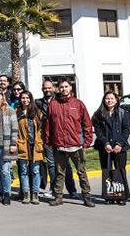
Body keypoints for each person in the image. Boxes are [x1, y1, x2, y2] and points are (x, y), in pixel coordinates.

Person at [44, 79, 94, 207]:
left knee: (82, 173)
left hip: (76, 146)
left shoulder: (78, 104)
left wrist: (87, 141)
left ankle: (87, 197)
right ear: (58, 89)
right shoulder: (53, 104)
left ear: (70, 88)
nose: (64, 89)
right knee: (59, 173)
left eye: (66, 86)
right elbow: (48, 125)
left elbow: (87, 124)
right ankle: (58, 197)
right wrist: (48, 141)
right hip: (59, 146)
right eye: (61, 87)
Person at [35, 78, 75, 197]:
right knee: (51, 164)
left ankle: (72, 190)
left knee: (66, 164)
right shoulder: (38, 103)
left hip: (61, 137)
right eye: (45, 88)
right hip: (47, 137)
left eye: (49, 87)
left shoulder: (59, 100)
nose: (47, 90)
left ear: (53, 88)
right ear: (42, 89)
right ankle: (54, 189)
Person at [92, 91, 130, 205]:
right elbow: (98, 131)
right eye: (107, 98)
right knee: (107, 170)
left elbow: (126, 130)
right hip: (105, 147)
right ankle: (109, 196)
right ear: (104, 100)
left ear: (116, 100)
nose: (109, 101)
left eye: (112, 98)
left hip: (120, 147)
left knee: (121, 170)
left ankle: (121, 196)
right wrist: (105, 143)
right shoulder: (98, 114)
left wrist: (120, 144)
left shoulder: (122, 113)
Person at [15, 91, 44, 205]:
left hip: (35, 145)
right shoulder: (17, 112)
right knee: (23, 171)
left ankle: (35, 194)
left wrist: (41, 142)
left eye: (27, 98)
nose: (25, 100)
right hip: (22, 145)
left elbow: (42, 129)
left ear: (31, 99)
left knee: (35, 171)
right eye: (23, 98)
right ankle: (26, 194)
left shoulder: (37, 112)